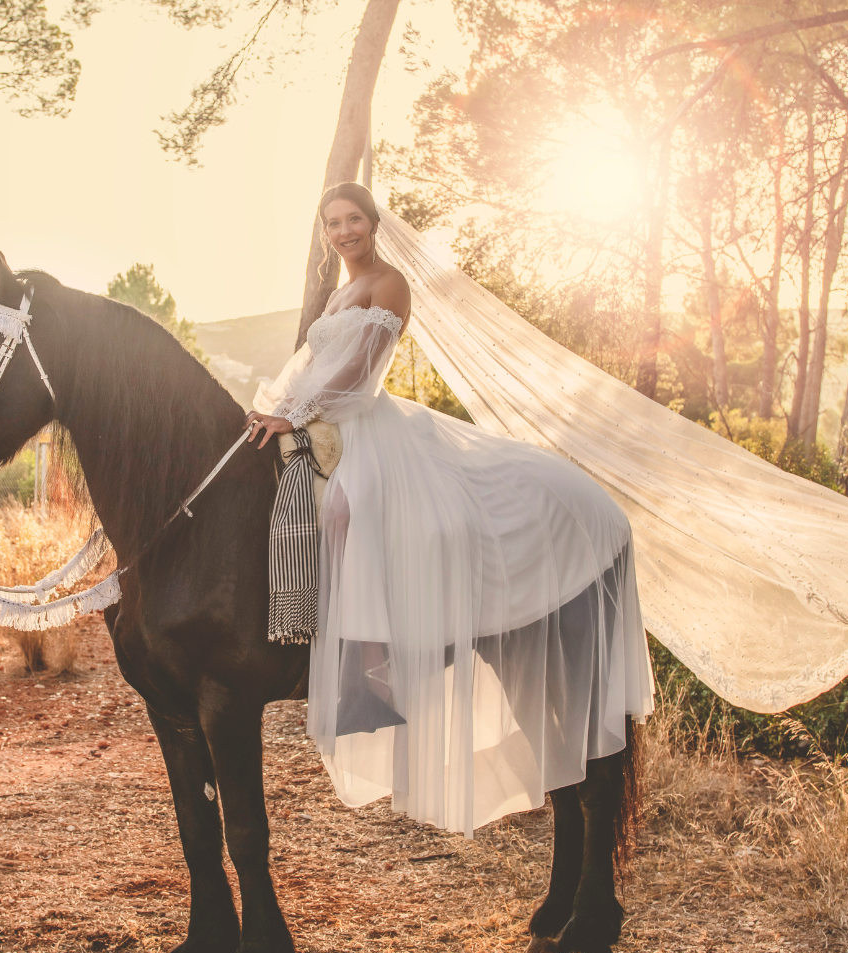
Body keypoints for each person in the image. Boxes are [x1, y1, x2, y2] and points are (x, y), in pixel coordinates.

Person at [244, 183, 653, 837]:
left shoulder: (389, 283)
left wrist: (295, 413)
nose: (344, 232)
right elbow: (310, 364)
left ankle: (371, 671)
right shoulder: (336, 293)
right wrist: (271, 406)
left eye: (353, 220)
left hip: (367, 425)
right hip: (324, 420)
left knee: (349, 504)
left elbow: (361, 372)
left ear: (374, 225)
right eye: (333, 224)